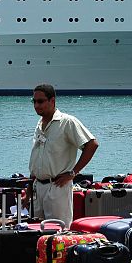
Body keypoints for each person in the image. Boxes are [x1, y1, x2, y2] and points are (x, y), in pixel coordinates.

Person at [28, 84, 98, 227]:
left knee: (58, 232)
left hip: (57, 187)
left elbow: (92, 144)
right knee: (35, 231)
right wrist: (29, 190)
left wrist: (73, 173)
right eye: (34, 101)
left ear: (52, 101)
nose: (36, 105)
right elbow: (38, 159)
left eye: (40, 101)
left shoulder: (67, 122)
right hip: (37, 188)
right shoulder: (40, 124)